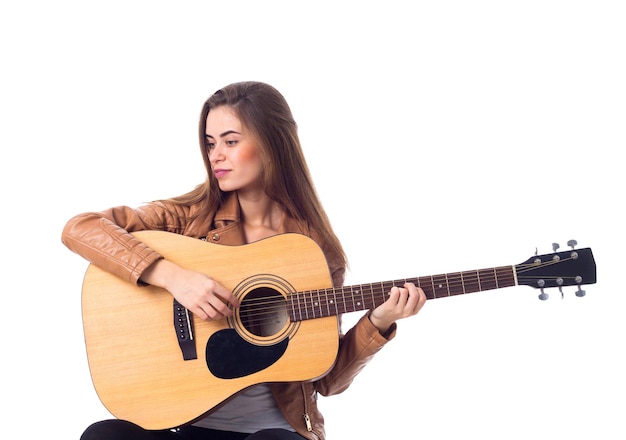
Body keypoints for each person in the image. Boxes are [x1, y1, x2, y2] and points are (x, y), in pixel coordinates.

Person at [62, 81, 427, 440]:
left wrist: (379, 322)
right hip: (191, 426)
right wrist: (174, 277)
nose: (215, 154)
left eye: (231, 141)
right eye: (210, 142)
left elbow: (326, 381)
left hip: (277, 432)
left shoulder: (313, 251)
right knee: (104, 436)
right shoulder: (190, 218)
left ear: (271, 144)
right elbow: (80, 227)